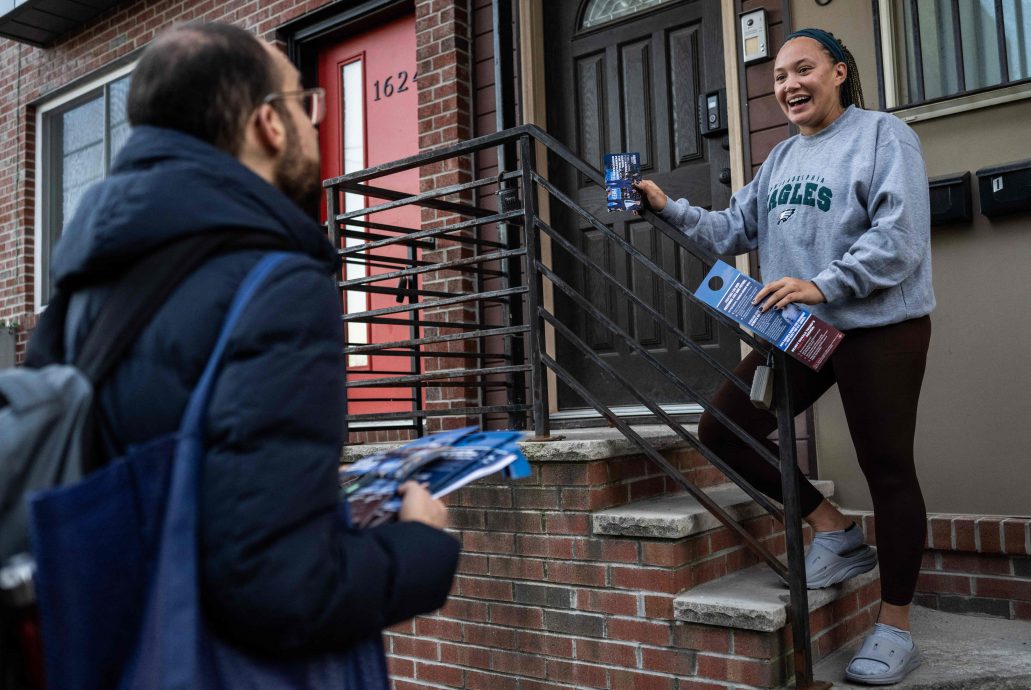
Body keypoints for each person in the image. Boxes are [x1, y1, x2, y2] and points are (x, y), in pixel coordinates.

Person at [43, 22, 459, 664]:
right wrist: (419, 547)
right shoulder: (279, 285)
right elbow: (281, 589)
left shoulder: (83, 285)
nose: (316, 124)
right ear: (267, 124)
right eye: (303, 102)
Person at [635, 28, 933, 686]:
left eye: (803, 69)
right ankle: (833, 532)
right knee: (723, 430)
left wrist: (822, 284)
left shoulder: (883, 135)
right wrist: (665, 207)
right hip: (802, 332)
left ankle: (895, 627)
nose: (788, 85)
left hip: (878, 326)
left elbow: (901, 238)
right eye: (777, 77)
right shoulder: (777, 161)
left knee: (886, 468)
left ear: (838, 72)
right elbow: (727, 230)